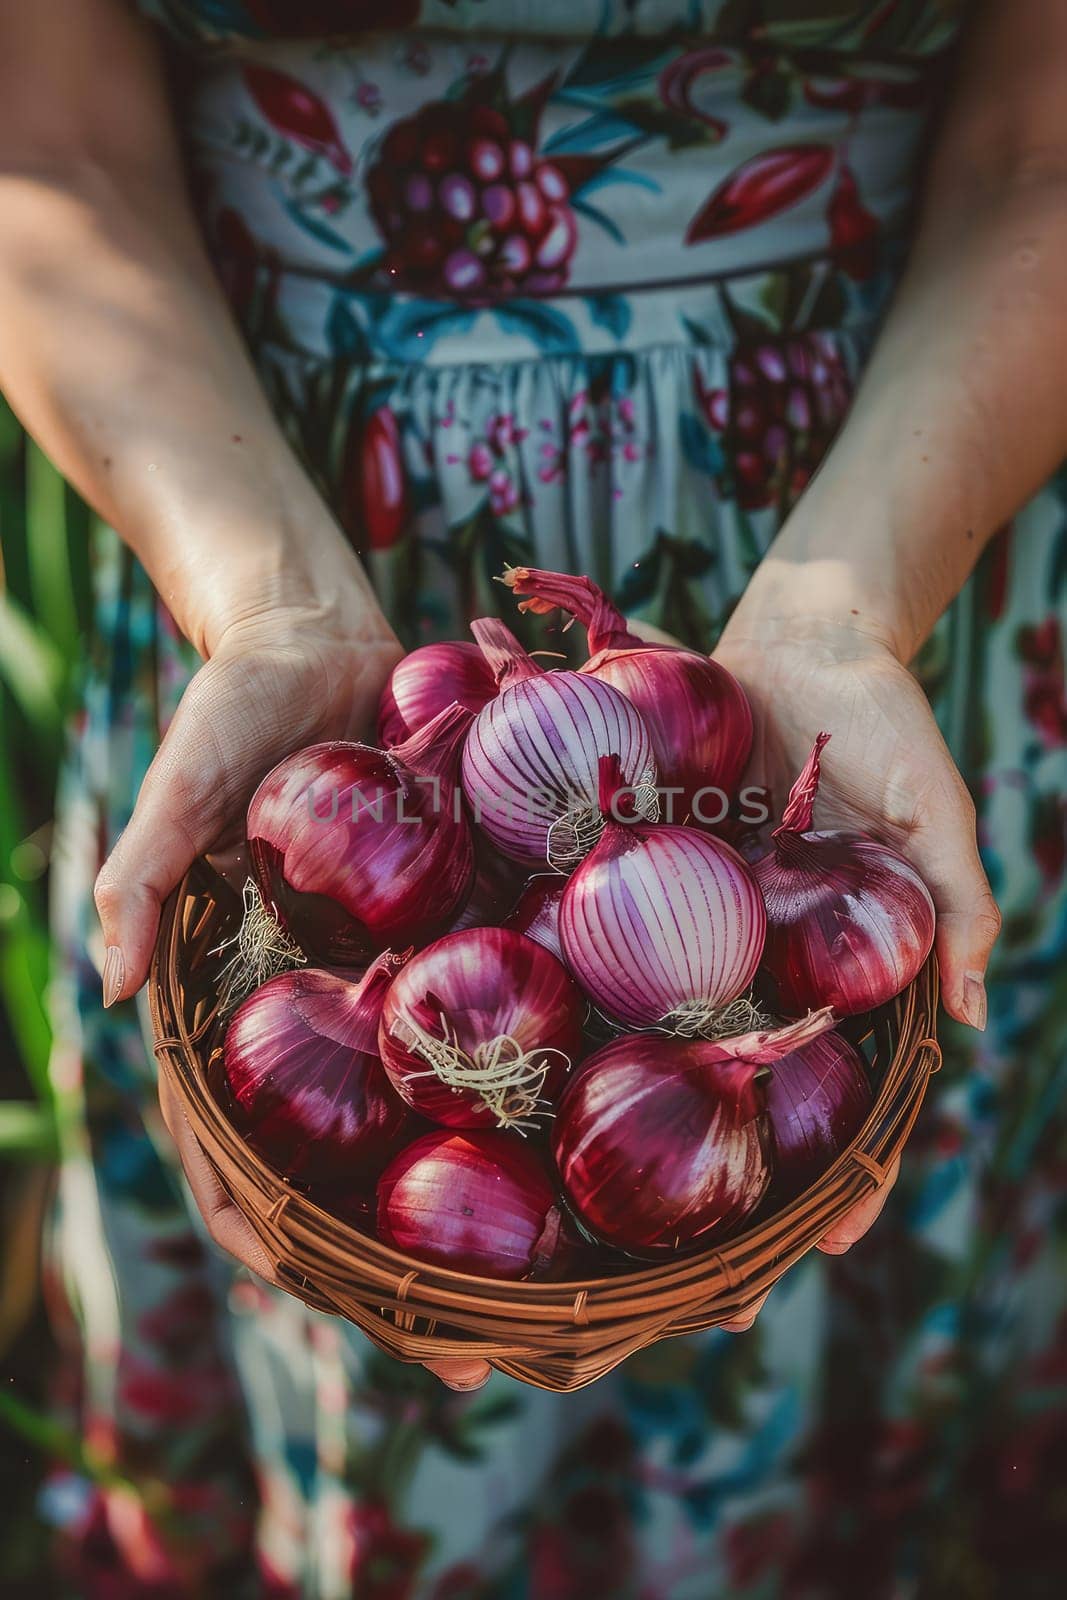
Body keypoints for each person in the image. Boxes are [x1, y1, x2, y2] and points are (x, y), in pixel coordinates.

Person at [1, 0, 1063, 1592]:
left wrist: (847, 619)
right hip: (263, 493)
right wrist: (275, 613)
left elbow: (1044, 155)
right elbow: (52, 156)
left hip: (883, 500)